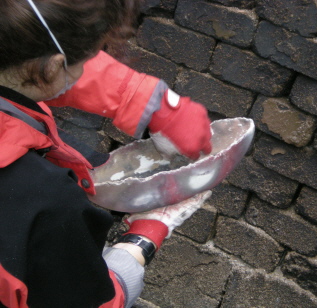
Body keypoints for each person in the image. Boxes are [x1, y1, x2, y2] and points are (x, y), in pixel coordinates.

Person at [0, 0, 213, 307]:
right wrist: (142, 240)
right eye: (86, 59)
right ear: (53, 65)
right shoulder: (47, 205)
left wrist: (148, 100)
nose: (87, 68)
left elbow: (27, 63)